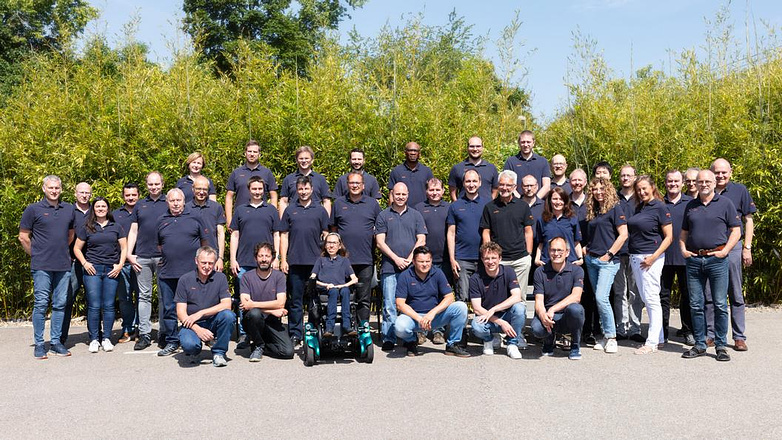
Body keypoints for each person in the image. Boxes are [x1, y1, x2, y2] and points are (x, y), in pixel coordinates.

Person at [680, 169, 741, 362]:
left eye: (707, 181)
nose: (704, 184)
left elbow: (736, 231)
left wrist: (725, 251)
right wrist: (683, 249)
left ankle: (721, 345)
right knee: (696, 305)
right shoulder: (691, 205)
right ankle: (700, 344)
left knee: (720, 304)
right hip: (694, 260)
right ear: (696, 184)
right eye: (700, 182)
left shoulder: (725, 203)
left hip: (717, 259)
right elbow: (684, 232)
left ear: (714, 183)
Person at [19, 175, 75, 359]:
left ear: (61, 189)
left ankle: (56, 342)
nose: (54, 191)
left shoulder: (69, 209)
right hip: (41, 266)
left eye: (57, 188)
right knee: (41, 304)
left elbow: (70, 235)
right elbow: (23, 237)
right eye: (51, 188)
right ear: (44, 188)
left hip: (63, 265)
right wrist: (36, 255)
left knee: (60, 304)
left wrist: (60, 251)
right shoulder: (33, 209)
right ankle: (39, 344)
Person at [705, 158, 756, 351]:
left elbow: (748, 220)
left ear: (730, 172)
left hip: (733, 248)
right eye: (716, 172)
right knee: (709, 293)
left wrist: (747, 248)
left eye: (723, 172)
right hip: (710, 249)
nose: (720, 176)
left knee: (735, 292)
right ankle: (711, 334)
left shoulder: (740, 190)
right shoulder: (705, 191)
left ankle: (739, 336)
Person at [156, 188, 209, 357]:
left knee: (194, 306)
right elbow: (159, 245)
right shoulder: (161, 220)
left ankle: (197, 336)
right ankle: (172, 341)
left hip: (191, 273)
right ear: (167, 202)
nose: (176, 203)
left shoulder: (195, 217)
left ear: (184, 201)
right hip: (168, 272)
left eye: (178, 200)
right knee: (169, 308)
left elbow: (204, 242)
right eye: (172, 201)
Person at [229, 175, 281, 347]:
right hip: (244, 261)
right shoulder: (240, 210)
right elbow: (235, 235)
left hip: (267, 262)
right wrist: (232, 259)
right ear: (249, 190)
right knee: (244, 300)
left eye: (260, 189)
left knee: (268, 296)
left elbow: (276, 234)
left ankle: (269, 331)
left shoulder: (271, 210)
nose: (257, 192)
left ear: (264, 190)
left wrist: (277, 257)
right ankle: (245, 334)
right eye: (254, 189)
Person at [375, 182, 427, 351]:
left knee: (410, 304)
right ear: (392, 194)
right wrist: (396, 259)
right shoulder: (383, 215)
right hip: (390, 267)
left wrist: (410, 259)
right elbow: (380, 242)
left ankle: (409, 337)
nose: (400, 197)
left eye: (403, 194)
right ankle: (389, 338)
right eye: (397, 194)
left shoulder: (416, 215)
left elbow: (421, 239)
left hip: (412, 269)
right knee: (389, 305)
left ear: (408, 195)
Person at [279, 175, 330, 345]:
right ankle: (296, 334)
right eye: (300, 189)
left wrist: (326, 258)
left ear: (312, 189)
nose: (303, 192)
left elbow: (326, 235)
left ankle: (314, 331)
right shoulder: (289, 210)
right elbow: (284, 236)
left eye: (306, 188)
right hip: (295, 262)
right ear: (296, 190)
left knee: (315, 300)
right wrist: (283, 259)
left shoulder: (320, 210)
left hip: (316, 263)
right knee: (296, 301)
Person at [73, 197, 127, 353]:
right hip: (93, 270)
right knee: (94, 306)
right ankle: (94, 339)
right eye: (98, 206)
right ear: (93, 209)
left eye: (104, 206)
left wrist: (120, 265)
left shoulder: (116, 227)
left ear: (108, 209)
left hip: (111, 269)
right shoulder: (87, 227)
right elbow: (77, 248)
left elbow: (124, 248)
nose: (101, 209)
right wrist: (85, 263)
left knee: (109, 306)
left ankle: (107, 338)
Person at [394, 246, 469, 357]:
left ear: (431, 260)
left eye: (427, 261)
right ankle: (411, 341)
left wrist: (432, 313)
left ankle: (453, 344)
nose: (425, 264)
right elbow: (400, 304)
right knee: (400, 327)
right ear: (413, 261)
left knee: (461, 307)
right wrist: (420, 319)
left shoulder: (437, 273)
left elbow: (449, 297)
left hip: (435, 317)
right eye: (421, 261)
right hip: (414, 318)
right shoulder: (405, 276)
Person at [627, 175, 672, 354]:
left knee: (652, 298)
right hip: (636, 257)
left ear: (652, 187)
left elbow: (669, 237)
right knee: (647, 298)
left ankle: (651, 342)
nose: (641, 192)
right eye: (638, 189)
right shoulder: (640, 207)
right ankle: (659, 338)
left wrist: (653, 257)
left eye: (644, 188)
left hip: (650, 257)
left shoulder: (660, 207)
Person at [330, 170, 380, 331]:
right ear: (347, 185)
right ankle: (346, 329)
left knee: (364, 299)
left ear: (363, 185)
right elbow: (333, 229)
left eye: (358, 183)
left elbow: (379, 230)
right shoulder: (338, 203)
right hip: (343, 261)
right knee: (343, 296)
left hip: (365, 259)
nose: (355, 185)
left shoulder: (373, 204)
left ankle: (362, 330)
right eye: (352, 183)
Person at [584, 177, 627, 354]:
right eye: (595, 189)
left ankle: (611, 337)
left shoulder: (615, 208)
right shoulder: (593, 209)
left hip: (608, 262)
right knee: (599, 299)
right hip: (591, 260)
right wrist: (587, 249)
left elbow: (623, 235)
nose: (598, 192)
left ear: (608, 189)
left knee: (602, 297)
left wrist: (609, 254)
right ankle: (604, 335)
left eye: (602, 189)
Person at [127, 171, 169, 351]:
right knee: (144, 296)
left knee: (163, 296)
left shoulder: (169, 202)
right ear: (146, 186)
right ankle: (144, 334)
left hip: (163, 257)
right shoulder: (140, 205)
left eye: (157, 184)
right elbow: (133, 230)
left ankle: (164, 333)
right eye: (150, 184)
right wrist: (129, 253)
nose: (154, 187)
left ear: (162, 184)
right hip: (142, 256)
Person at [175, 246, 235, 367]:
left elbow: (227, 304)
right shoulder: (185, 280)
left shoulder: (221, 278)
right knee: (190, 345)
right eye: (203, 262)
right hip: (191, 324)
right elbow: (181, 313)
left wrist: (201, 313)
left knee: (228, 316)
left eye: (210, 263)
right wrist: (198, 329)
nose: (207, 266)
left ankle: (219, 353)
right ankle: (194, 351)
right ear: (196, 261)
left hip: (213, 321)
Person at [480, 170, 535, 295]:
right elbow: (486, 232)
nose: (504, 188)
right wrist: (489, 254)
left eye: (508, 185)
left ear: (514, 187)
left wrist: (528, 254)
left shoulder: (523, 206)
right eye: (502, 184)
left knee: (520, 298)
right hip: (499, 260)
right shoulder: (489, 207)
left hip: (520, 260)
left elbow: (528, 231)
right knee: (499, 296)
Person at [531, 237, 586, 360]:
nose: (556, 253)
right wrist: (543, 315)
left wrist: (553, 309)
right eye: (553, 250)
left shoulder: (577, 270)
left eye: (560, 250)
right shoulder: (540, 271)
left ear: (567, 252)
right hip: (549, 315)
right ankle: (548, 341)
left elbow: (576, 297)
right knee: (537, 329)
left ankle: (575, 345)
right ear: (548, 251)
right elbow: (539, 301)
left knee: (576, 310)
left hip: (566, 316)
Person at [469, 242, 526, 359]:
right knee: (476, 325)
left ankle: (512, 344)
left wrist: (494, 309)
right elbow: (477, 309)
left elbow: (517, 296)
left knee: (520, 308)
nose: (490, 262)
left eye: (494, 258)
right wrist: (501, 322)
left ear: (500, 258)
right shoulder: (475, 278)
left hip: (506, 315)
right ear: (482, 259)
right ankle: (488, 340)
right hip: (487, 318)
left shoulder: (509, 272)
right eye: (487, 258)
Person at [239, 242, 295, 361]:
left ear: (272, 259)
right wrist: (272, 310)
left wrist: (254, 304)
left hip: (272, 321)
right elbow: (246, 305)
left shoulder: (279, 276)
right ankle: (258, 346)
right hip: (252, 321)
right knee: (255, 314)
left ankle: (262, 345)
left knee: (288, 352)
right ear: (256, 258)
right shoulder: (246, 277)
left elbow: (280, 303)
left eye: (267, 256)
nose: (264, 259)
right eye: (261, 256)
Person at [661, 170, 695, 345]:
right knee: (663, 296)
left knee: (687, 295)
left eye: (676, 181)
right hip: (662, 257)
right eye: (670, 181)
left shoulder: (691, 203)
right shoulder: (658, 202)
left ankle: (687, 331)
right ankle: (662, 332)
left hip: (685, 256)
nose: (673, 184)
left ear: (682, 183)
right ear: (665, 183)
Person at [613, 164, 643, 342]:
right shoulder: (613, 197)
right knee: (619, 291)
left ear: (635, 177)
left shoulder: (640, 197)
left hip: (636, 250)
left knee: (635, 292)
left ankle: (635, 328)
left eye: (628, 175)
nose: (625, 178)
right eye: (623, 175)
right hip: (617, 251)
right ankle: (621, 327)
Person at [446, 169, 486, 302]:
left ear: (480, 183)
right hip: (462, 259)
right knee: (462, 298)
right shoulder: (455, 206)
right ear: (463, 183)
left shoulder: (487, 204)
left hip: (484, 259)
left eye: (474, 181)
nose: (471, 184)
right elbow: (451, 233)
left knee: (484, 299)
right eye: (468, 181)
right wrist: (452, 259)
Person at [311, 233, 358, 336]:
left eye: (334, 243)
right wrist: (325, 285)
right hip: (326, 289)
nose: (331, 246)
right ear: (325, 245)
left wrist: (342, 285)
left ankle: (347, 325)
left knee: (345, 291)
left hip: (341, 288)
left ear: (339, 246)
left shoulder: (344, 261)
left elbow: (355, 279)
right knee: (333, 291)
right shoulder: (320, 260)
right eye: (329, 243)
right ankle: (329, 327)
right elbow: (312, 278)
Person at [62, 181, 92, 345]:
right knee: (67, 299)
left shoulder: (96, 210)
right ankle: (61, 337)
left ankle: (95, 336)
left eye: (87, 193)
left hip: (93, 262)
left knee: (93, 301)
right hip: (73, 262)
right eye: (81, 192)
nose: (84, 195)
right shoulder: (67, 210)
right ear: (75, 193)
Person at [225, 140, 278, 228]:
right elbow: (229, 197)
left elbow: (273, 195)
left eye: (255, 152)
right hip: (241, 219)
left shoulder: (267, 173)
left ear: (259, 154)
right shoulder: (236, 173)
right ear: (245, 153)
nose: (252, 154)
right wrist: (229, 220)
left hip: (263, 218)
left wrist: (272, 215)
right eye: (249, 151)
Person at [112, 182, 139, 343]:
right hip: (121, 262)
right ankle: (128, 329)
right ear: (123, 196)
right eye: (127, 195)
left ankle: (140, 330)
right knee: (124, 298)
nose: (130, 198)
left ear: (138, 195)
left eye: (133, 195)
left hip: (140, 261)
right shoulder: (115, 214)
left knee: (142, 297)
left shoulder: (144, 211)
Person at [534, 187, 583, 268]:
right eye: (555, 199)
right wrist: (537, 259)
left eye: (561, 199)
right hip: (548, 263)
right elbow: (541, 243)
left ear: (565, 201)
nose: (558, 202)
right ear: (549, 201)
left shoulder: (572, 219)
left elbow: (576, 242)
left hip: (569, 263)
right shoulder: (542, 220)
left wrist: (580, 258)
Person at [279, 145, 332, 216]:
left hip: (316, 218)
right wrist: (283, 220)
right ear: (296, 160)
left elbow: (326, 201)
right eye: (301, 158)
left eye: (306, 158)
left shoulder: (320, 179)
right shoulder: (288, 179)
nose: (304, 161)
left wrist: (326, 220)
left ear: (312, 160)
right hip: (294, 218)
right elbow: (283, 201)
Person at [189, 176, 226, 272]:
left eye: (204, 189)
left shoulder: (216, 207)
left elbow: (220, 233)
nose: (201, 192)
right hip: (190, 257)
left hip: (212, 257)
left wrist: (220, 258)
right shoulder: (186, 208)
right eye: (198, 189)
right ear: (193, 189)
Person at [447, 135, 498, 202]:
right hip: (464, 207)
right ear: (467, 148)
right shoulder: (457, 168)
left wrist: (490, 205)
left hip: (485, 207)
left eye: (478, 146)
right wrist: (457, 205)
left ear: (482, 148)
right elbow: (452, 191)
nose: (475, 149)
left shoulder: (491, 168)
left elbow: (495, 189)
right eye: (472, 146)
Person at [503, 130, 550, 199]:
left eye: (528, 142)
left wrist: (535, 200)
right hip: (516, 202)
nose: (525, 145)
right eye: (523, 142)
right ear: (519, 143)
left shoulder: (543, 161)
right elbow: (507, 184)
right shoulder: (511, 162)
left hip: (538, 203)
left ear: (533, 143)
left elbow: (546, 185)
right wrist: (521, 201)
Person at [387, 141, 434, 208]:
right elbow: (391, 194)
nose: (413, 153)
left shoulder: (427, 171)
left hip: (423, 210)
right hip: (402, 210)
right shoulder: (396, 171)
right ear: (405, 152)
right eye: (410, 150)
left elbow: (432, 192)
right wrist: (391, 211)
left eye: (415, 151)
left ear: (419, 153)